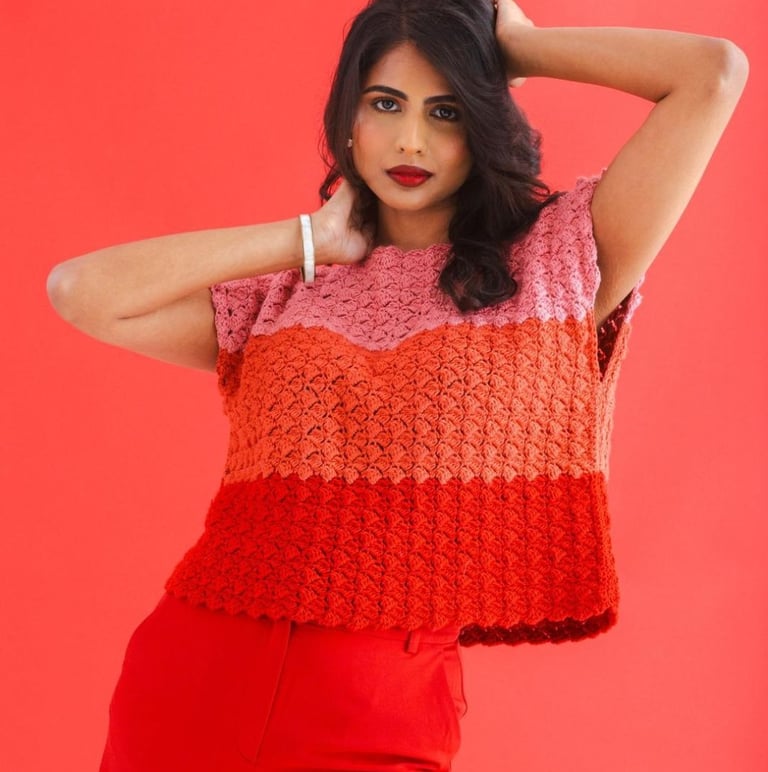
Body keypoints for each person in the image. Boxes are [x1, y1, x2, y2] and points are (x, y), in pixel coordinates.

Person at [46, 0, 747, 769]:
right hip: (197, 668)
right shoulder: (282, 291)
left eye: (445, 110)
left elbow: (712, 74)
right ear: (348, 122)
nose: (411, 139)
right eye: (385, 104)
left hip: (379, 707)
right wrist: (311, 240)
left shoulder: (557, 263)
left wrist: (515, 45)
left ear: (480, 124)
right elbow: (81, 291)